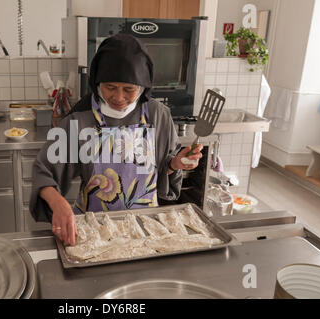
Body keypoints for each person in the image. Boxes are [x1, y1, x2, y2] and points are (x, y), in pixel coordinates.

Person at [30, 34, 203, 246]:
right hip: (94, 232)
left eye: (129, 90)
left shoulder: (158, 115)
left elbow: (162, 166)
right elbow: (43, 171)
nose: (119, 98)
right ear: (97, 82)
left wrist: (175, 164)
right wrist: (58, 203)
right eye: (110, 87)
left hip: (147, 230)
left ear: (143, 86)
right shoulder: (79, 120)